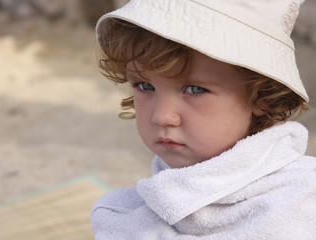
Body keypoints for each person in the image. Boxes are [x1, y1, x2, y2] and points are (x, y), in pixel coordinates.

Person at [90, 0, 316, 239]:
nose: (162, 116)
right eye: (145, 86)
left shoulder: (299, 200)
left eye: (195, 90)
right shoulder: (124, 215)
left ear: (260, 95)